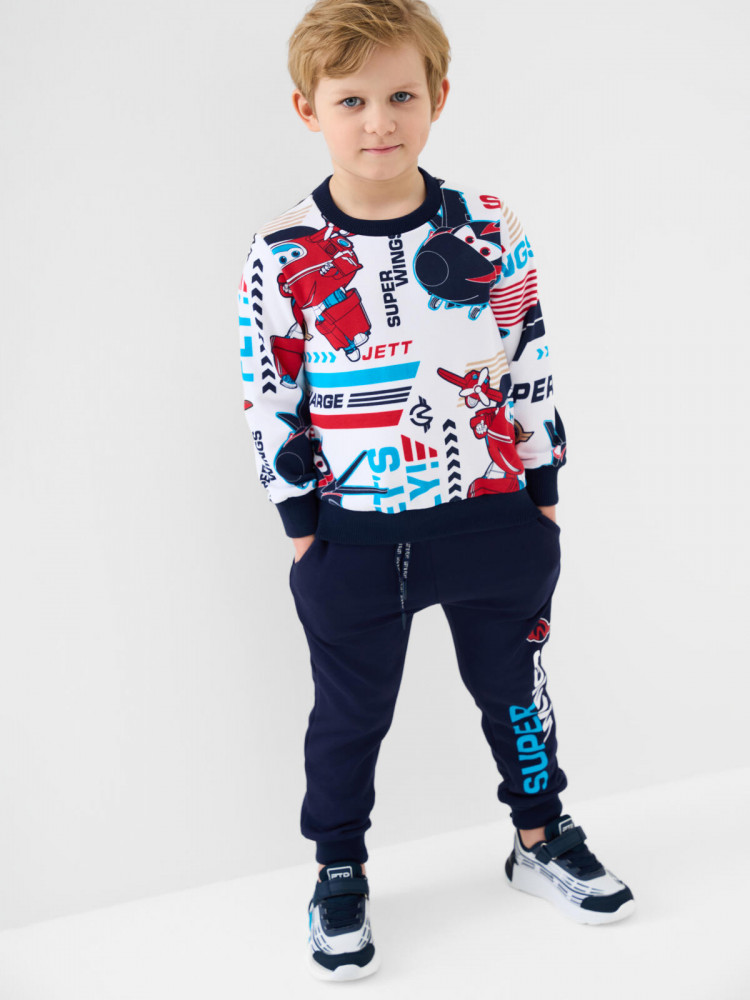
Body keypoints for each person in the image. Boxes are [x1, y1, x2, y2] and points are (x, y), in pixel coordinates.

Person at [237, 0, 634, 981]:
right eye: (352, 100)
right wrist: (302, 525)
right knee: (348, 717)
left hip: (494, 521)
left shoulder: (487, 226)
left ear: (438, 98)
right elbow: (268, 390)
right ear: (308, 109)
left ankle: (541, 836)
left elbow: (527, 354)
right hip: (355, 537)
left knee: (517, 695)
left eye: (402, 95)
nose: (380, 121)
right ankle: (339, 868)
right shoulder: (284, 249)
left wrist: (542, 486)